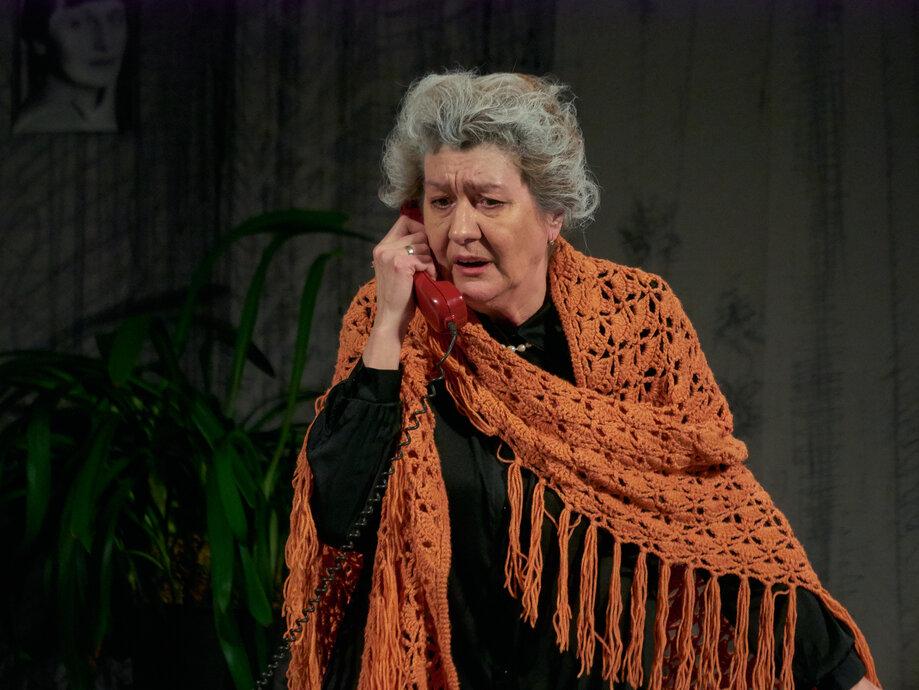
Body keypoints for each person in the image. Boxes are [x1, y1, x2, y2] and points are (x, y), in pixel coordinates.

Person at [284, 71, 882, 689]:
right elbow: (339, 515)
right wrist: (389, 326)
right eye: (440, 202)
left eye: (488, 202)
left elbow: (710, 515)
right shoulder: (391, 324)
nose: (460, 229)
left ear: (553, 214)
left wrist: (840, 677)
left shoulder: (636, 319)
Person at [13, 0, 128, 133]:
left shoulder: (98, 116)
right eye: (77, 24)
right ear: (38, 39)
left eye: (116, 20)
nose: (106, 42)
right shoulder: (43, 125)